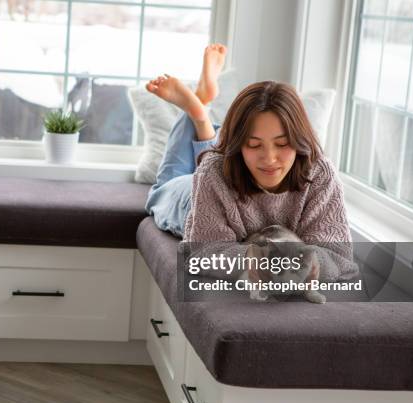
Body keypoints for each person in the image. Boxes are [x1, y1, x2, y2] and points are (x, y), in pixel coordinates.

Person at [144, 44, 358, 282]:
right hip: (187, 197)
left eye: (282, 144)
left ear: (299, 141)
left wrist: (277, 261)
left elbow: (339, 258)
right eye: (254, 145)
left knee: (209, 163)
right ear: (237, 146)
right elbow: (203, 254)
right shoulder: (213, 171)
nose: (269, 158)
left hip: (216, 175)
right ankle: (199, 114)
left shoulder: (319, 172)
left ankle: (201, 109)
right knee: (164, 187)